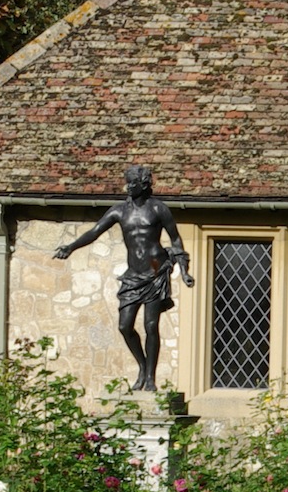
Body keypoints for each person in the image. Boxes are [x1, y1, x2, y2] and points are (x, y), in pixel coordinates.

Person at [53, 166, 192, 392]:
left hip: (155, 271)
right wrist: (71, 247)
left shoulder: (158, 209)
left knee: (151, 325)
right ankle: (142, 365)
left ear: (143, 185)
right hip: (133, 276)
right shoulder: (119, 211)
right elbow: (95, 231)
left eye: (132, 183)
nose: (128, 187)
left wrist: (184, 271)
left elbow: (175, 240)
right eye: (127, 183)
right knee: (124, 326)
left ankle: (150, 378)